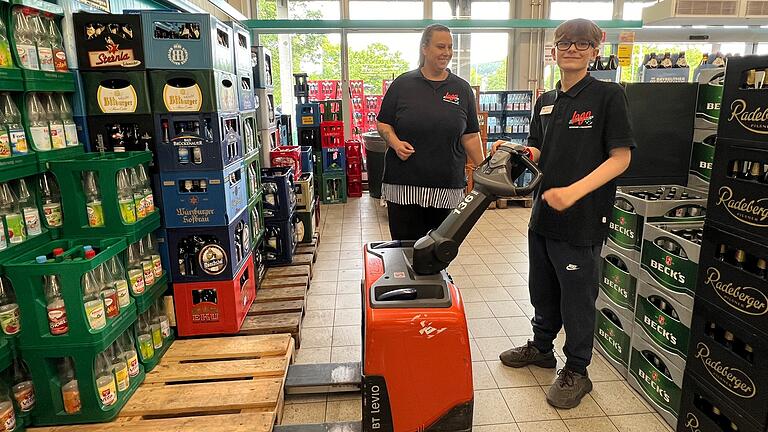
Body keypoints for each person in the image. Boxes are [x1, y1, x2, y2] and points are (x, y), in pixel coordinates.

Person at [495, 18, 635, 409]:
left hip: (582, 217)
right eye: (564, 43)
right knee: (541, 287)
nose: (572, 49)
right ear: (553, 50)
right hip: (543, 213)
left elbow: (621, 157)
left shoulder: (608, 96)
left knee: (577, 296)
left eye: (581, 43)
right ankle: (542, 348)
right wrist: (518, 153)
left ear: (594, 51)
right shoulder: (546, 100)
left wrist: (574, 191)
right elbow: (539, 151)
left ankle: (578, 369)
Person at [376, 24, 485, 241]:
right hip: (404, 185)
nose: (446, 52)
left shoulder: (462, 89)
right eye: (440, 46)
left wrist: (484, 170)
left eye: (450, 47)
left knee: (438, 251)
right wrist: (396, 143)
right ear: (425, 48)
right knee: (403, 249)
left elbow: (471, 135)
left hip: (446, 186)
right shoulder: (403, 85)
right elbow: (383, 124)